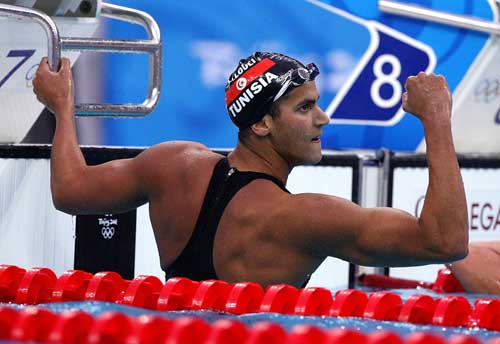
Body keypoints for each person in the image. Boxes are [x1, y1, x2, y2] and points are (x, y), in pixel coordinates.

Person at [32, 51, 468, 288]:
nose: (324, 119)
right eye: (305, 107)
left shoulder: (171, 165)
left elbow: (70, 190)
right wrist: (437, 121)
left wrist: (63, 107)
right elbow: (444, 242)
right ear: (260, 124)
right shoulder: (304, 218)